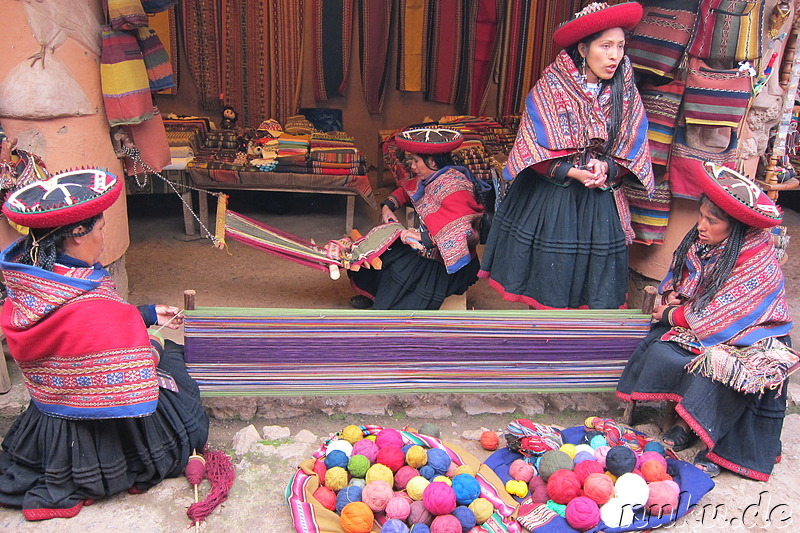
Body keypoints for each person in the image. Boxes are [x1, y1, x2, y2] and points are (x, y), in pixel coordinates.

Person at [0, 169, 209, 520]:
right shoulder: (87, 304)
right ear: (78, 235)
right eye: (100, 228)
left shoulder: (37, 276)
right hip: (99, 425)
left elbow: (85, 330)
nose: (103, 235)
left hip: (53, 403)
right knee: (176, 367)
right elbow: (127, 354)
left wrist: (144, 313)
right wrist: (154, 342)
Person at [617, 162, 794, 480]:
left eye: (711, 221)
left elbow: (725, 313)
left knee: (720, 369)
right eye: (701, 216)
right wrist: (675, 296)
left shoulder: (756, 258)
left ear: (736, 228)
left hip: (755, 337)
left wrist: (673, 314)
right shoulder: (707, 245)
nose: (701, 226)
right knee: (661, 347)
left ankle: (718, 446)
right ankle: (688, 421)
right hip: (709, 327)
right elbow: (686, 280)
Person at [479, 2, 654, 309]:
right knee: (550, 274)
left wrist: (608, 168)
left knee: (593, 282)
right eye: (606, 46)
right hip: (553, 197)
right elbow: (531, 146)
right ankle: (546, 336)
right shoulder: (550, 88)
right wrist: (572, 172)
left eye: (620, 47)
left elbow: (632, 144)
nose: (615, 56)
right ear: (584, 49)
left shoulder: (626, 93)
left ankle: (578, 339)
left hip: (599, 199)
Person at [349, 126, 489, 310]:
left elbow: (461, 232)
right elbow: (408, 189)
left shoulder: (456, 188)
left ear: (431, 160)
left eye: (415, 161)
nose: (413, 167)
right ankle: (376, 295)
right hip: (429, 250)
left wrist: (422, 238)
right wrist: (389, 206)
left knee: (402, 270)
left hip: (449, 265)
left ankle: (386, 307)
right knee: (381, 252)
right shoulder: (432, 177)